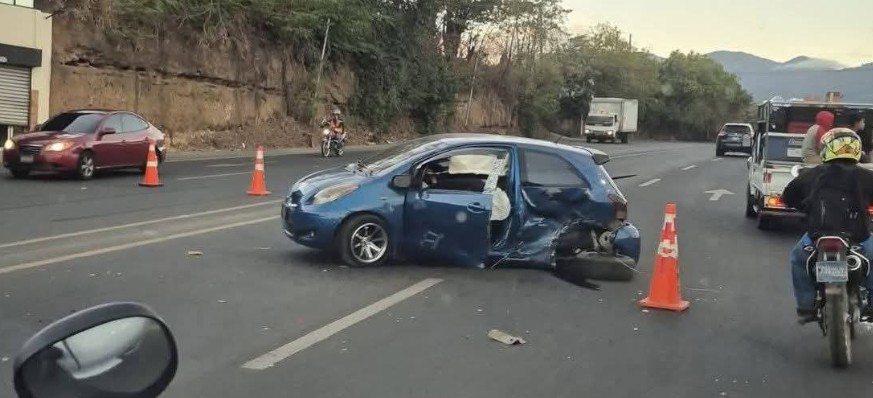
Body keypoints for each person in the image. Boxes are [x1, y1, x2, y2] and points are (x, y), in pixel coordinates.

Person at [783, 128, 873, 324]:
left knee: (798, 259)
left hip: (818, 236)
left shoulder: (812, 174)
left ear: (827, 149)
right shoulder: (866, 176)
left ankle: (806, 307)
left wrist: (805, 207)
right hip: (858, 236)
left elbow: (788, 196)